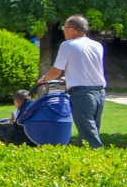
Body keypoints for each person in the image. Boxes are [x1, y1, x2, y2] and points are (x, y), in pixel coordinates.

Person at [39, 14, 105, 147]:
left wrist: (43, 80)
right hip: (100, 93)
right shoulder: (97, 45)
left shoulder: (67, 45)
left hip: (82, 94)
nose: (63, 30)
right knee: (91, 130)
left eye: (64, 27)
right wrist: (69, 79)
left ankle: (101, 158)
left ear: (72, 29)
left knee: (88, 134)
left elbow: (56, 71)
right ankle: (87, 160)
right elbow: (86, 68)